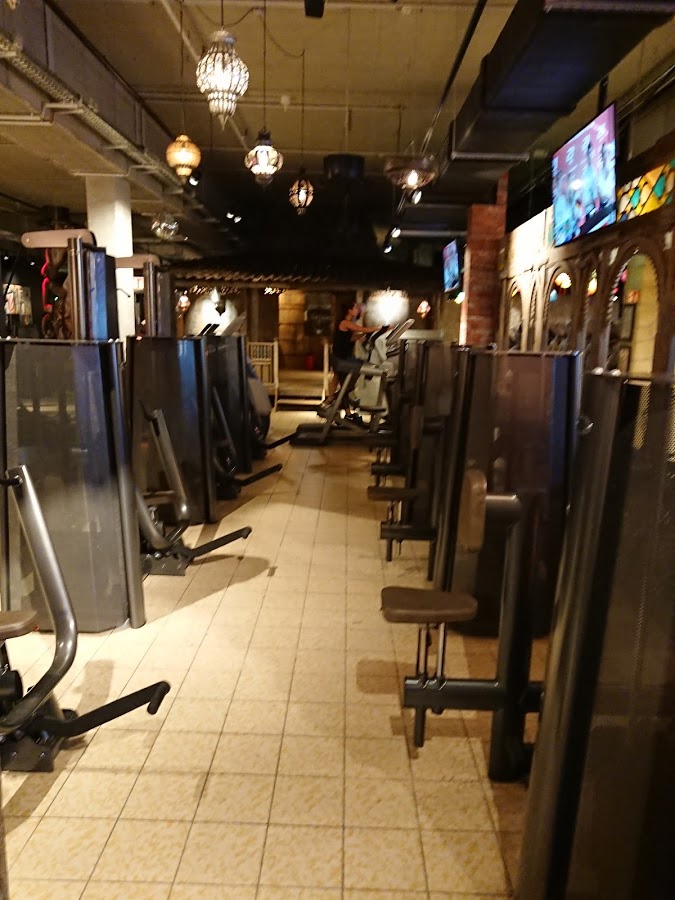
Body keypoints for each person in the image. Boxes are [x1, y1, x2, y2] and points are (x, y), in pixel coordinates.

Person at [319, 298, 387, 419]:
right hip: (341, 358)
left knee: (344, 383)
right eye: (355, 308)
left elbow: (350, 338)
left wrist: (362, 336)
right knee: (349, 382)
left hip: (342, 357)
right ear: (349, 310)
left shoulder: (348, 323)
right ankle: (332, 399)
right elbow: (363, 329)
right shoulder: (345, 322)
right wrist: (382, 328)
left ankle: (347, 413)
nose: (357, 310)